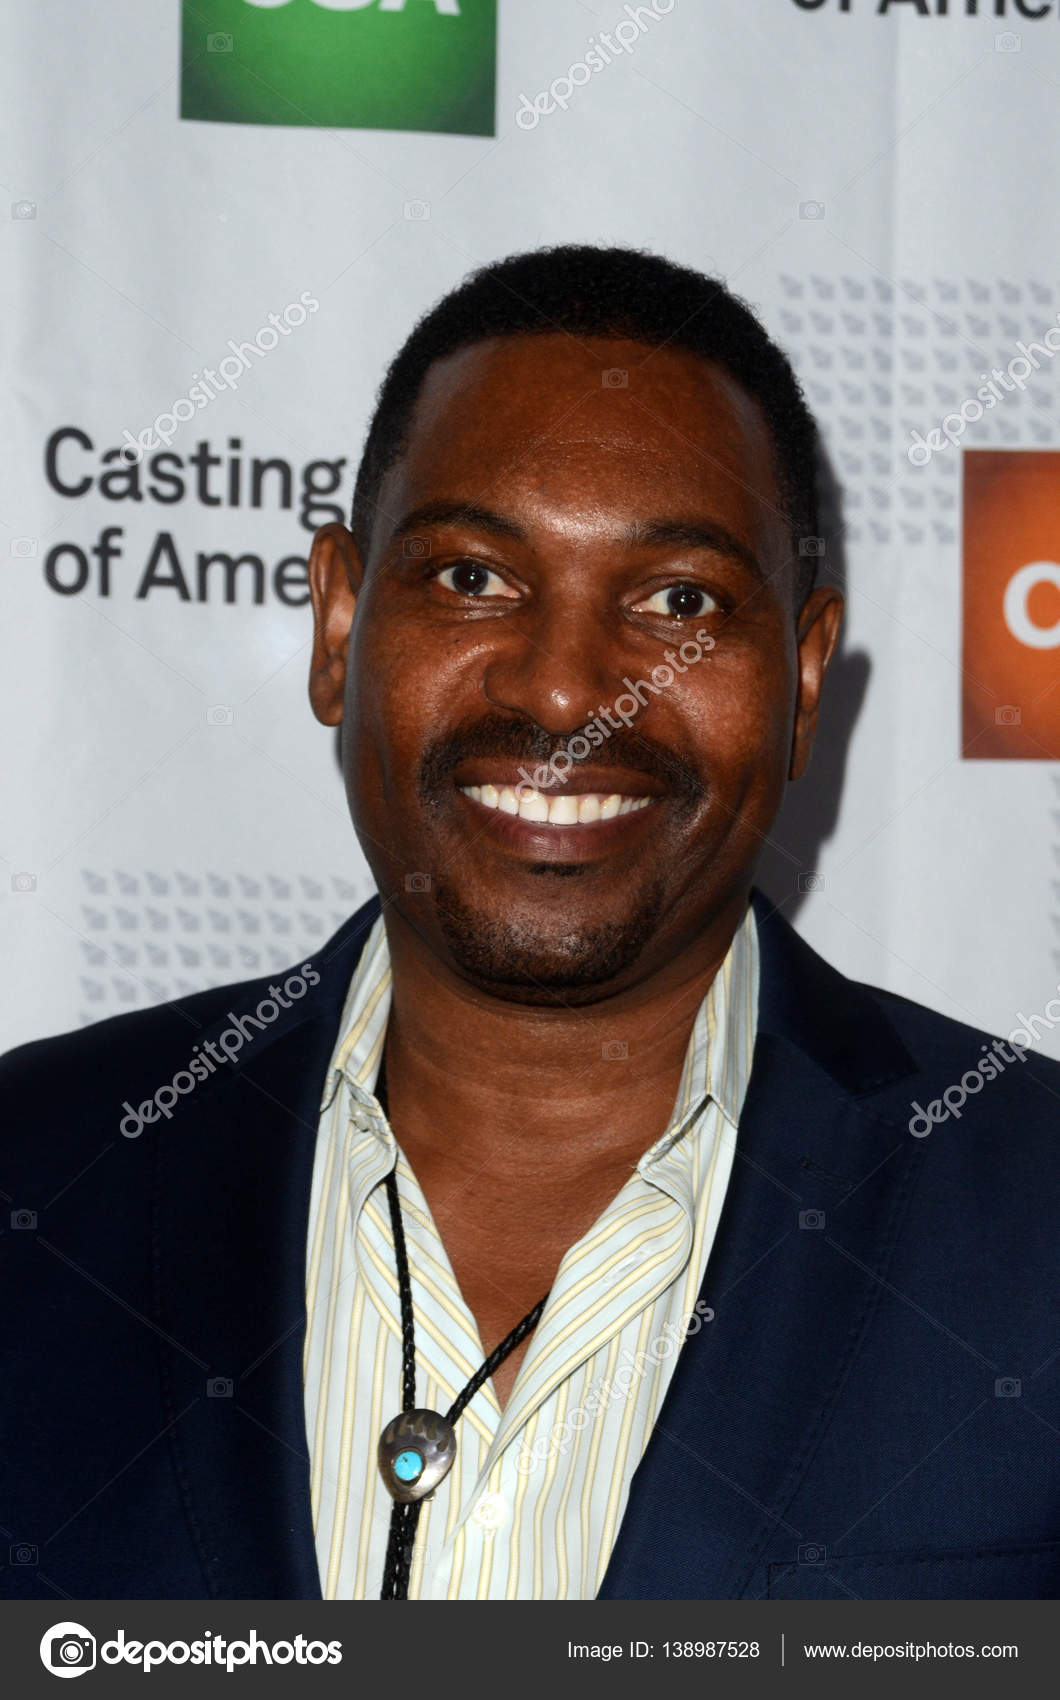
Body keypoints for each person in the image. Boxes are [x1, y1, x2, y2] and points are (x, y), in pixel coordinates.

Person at [3, 247, 1057, 1602]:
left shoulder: (1031, 1220)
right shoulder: (40, 1176)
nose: (568, 692)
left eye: (680, 601)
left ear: (799, 678)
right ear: (337, 622)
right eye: (472, 579)